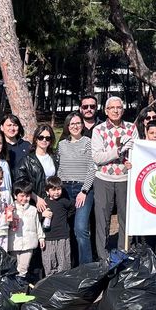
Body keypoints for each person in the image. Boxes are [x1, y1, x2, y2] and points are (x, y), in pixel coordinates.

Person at [91, 96, 138, 259]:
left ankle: (124, 252)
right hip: (103, 179)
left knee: (126, 218)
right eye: (112, 108)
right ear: (106, 111)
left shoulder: (132, 128)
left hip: (125, 179)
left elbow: (136, 153)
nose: (116, 110)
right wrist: (117, 152)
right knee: (103, 220)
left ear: (123, 110)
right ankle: (103, 257)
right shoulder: (99, 130)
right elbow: (97, 157)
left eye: (119, 107)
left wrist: (131, 161)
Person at [57, 110, 97, 264]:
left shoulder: (88, 142)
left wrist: (84, 191)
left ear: (82, 125)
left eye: (78, 123)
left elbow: (91, 168)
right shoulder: (61, 145)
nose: (75, 126)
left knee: (81, 229)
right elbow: (60, 169)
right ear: (67, 126)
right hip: (65, 189)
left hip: (83, 190)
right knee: (67, 229)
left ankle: (85, 267)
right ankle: (70, 263)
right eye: (72, 123)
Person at [9, 180, 47, 278]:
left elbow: (37, 225)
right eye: (21, 196)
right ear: (15, 196)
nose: (24, 198)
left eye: (27, 196)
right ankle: (13, 288)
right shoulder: (11, 209)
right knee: (13, 268)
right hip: (14, 243)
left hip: (29, 243)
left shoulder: (33, 210)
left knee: (23, 268)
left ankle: (21, 289)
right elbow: (6, 224)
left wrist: (41, 237)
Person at [17, 125, 57, 212]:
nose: (44, 140)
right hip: (33, 202)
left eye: (48, 138)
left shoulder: (55, 158)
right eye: (41, 137)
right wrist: (36, 198)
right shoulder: (26, 160)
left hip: (53, 200)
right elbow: (21, 183)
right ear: (36, 139)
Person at [41, 176, 74, 276]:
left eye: (58, 189)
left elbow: (72, 207)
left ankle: (64, 284)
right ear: (47, 191)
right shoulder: (44, 203)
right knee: (49, 262)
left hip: (62, 236)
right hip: (48, 238)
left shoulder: (64, 201)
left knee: (64, 263)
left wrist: (66, 218)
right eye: (53, 190)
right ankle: (51, 284)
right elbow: (36, 217)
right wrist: (42, 214)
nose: (56, 192)